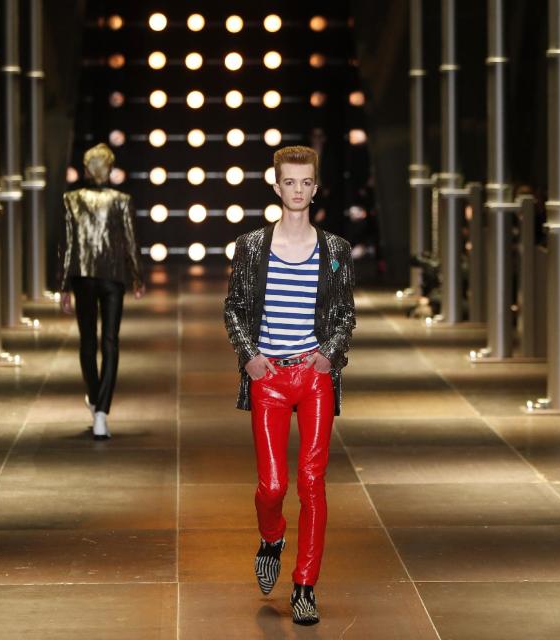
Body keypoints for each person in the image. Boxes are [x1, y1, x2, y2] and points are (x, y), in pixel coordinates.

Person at [224, 145, 356, 626]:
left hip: (314, 375)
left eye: (306, 183)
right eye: (290, 182)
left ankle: (304, 584)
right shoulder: (253, 246)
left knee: (312, 482)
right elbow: (234, 308)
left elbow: (344, 313)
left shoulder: (335, 250)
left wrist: (329, 356)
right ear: (275, 186)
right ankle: (272, 537)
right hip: (270, 377)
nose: (298, 191)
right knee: (273, 485)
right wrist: (250, 357)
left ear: (315, 188)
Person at [59, 143, 144, 439]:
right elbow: (131, 241)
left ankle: (95, 399)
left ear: (85, 170)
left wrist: (64, 285)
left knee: (87, 341)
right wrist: (137, 276)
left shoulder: (71, 198)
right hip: (112, 277)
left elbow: (68, 245)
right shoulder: (122, 200)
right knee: (110, 341)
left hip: (83, 275)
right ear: (109, 170)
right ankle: (101, 412)